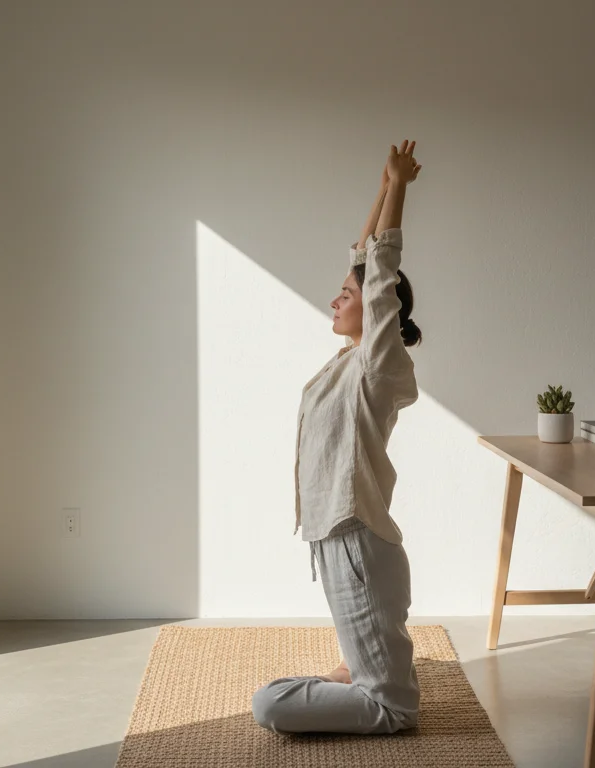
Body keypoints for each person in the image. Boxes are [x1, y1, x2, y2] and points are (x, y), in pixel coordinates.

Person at [251, 140, 425, 735]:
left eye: (345, 296)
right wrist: (379, 186)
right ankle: (365, 672)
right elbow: (362, 259)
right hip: (341, 546)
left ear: (377, 314)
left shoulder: (380, 366)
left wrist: (400, 189)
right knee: (358, 669)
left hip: (357, 549)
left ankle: (379, 689)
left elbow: (377, 274)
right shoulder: (348, 363)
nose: (335, 299)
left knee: (279, 705)